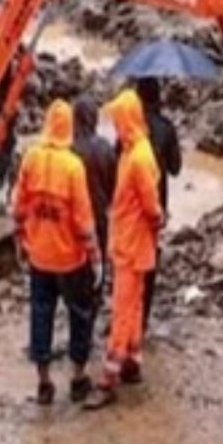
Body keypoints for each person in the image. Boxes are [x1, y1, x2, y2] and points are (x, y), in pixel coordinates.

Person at [13, 100, 101, 406]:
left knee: (41, 314)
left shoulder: (31, 159)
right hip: (70, 259)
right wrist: (96, 257)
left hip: (39, 256)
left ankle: (44, 381)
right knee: (79, 314)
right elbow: (83, 219)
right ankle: (78, 377)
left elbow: (18, 207)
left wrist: (21, 243)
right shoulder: (73, 167)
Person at [88, 88, 163, 408]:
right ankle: (132, 360)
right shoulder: (135, 151)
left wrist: (157, 220)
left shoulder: (139, 157)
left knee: (122, 308)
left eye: (118, 121)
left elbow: (151, 206)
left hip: (131, 244)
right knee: (133, 304)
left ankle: (110, 375)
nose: (115, 127)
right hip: (132, 242)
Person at [135, 78, 182, 330]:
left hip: (130, 207)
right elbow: (175, 169)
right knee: (149, 258)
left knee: (129, 260)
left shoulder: (130, 127)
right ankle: (143, 317)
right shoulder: (166, 128)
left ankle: (129, 313)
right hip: (156, 204)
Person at [72, 96, 117, 258]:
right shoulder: (105, 147)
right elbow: (114, 187)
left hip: (72, 219)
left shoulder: (67, 148)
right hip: (98, 215)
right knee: (98, 263)